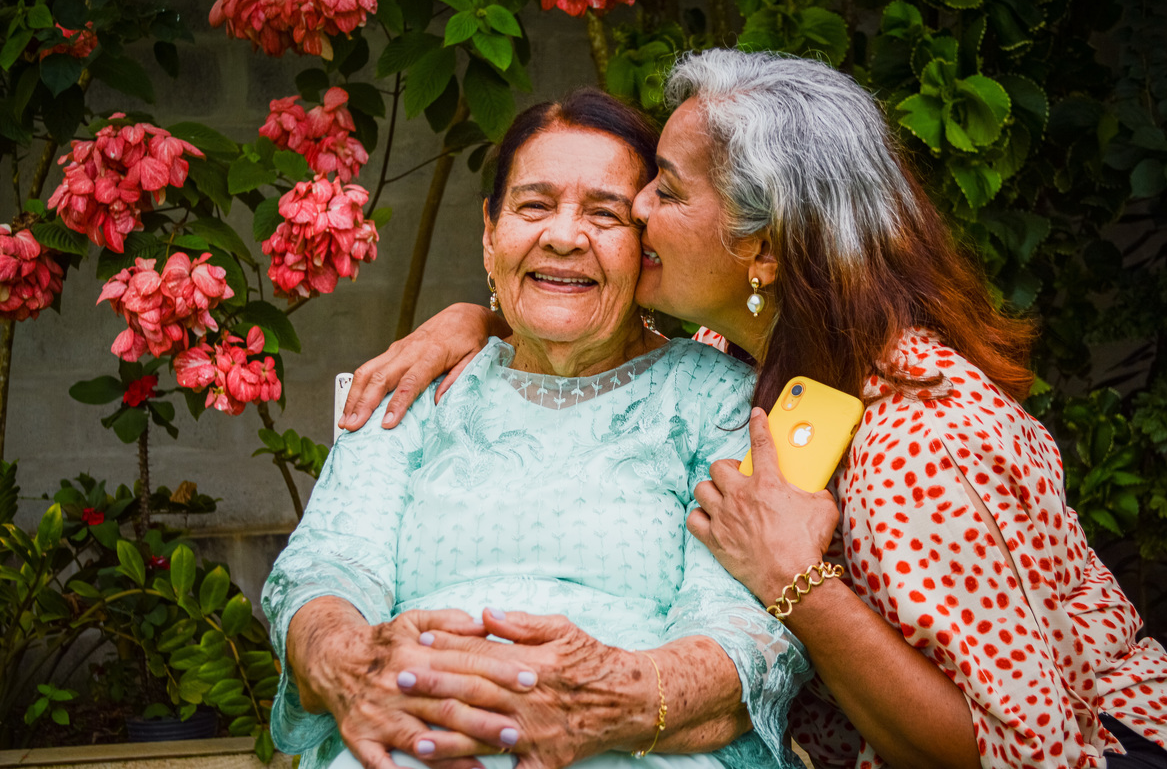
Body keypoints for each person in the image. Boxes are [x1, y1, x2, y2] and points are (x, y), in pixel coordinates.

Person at [338, 49, 1167, 769]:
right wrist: (474, 321)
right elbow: (578, 324)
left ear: (760, 242)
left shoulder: (922, 440)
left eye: (667, 194)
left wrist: (799, 584)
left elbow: (1015, 751)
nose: (634, 212)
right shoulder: (757, 360)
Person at [262, 88, 812, 769]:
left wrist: (614, 698)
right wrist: (353, 664)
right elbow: (326, 569)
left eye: (606, 213)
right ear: (490, 232)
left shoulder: (721, 402)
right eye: (535, 205)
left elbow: (740, 627)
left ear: (647, 243)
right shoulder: (411, 388)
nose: (563, 235)